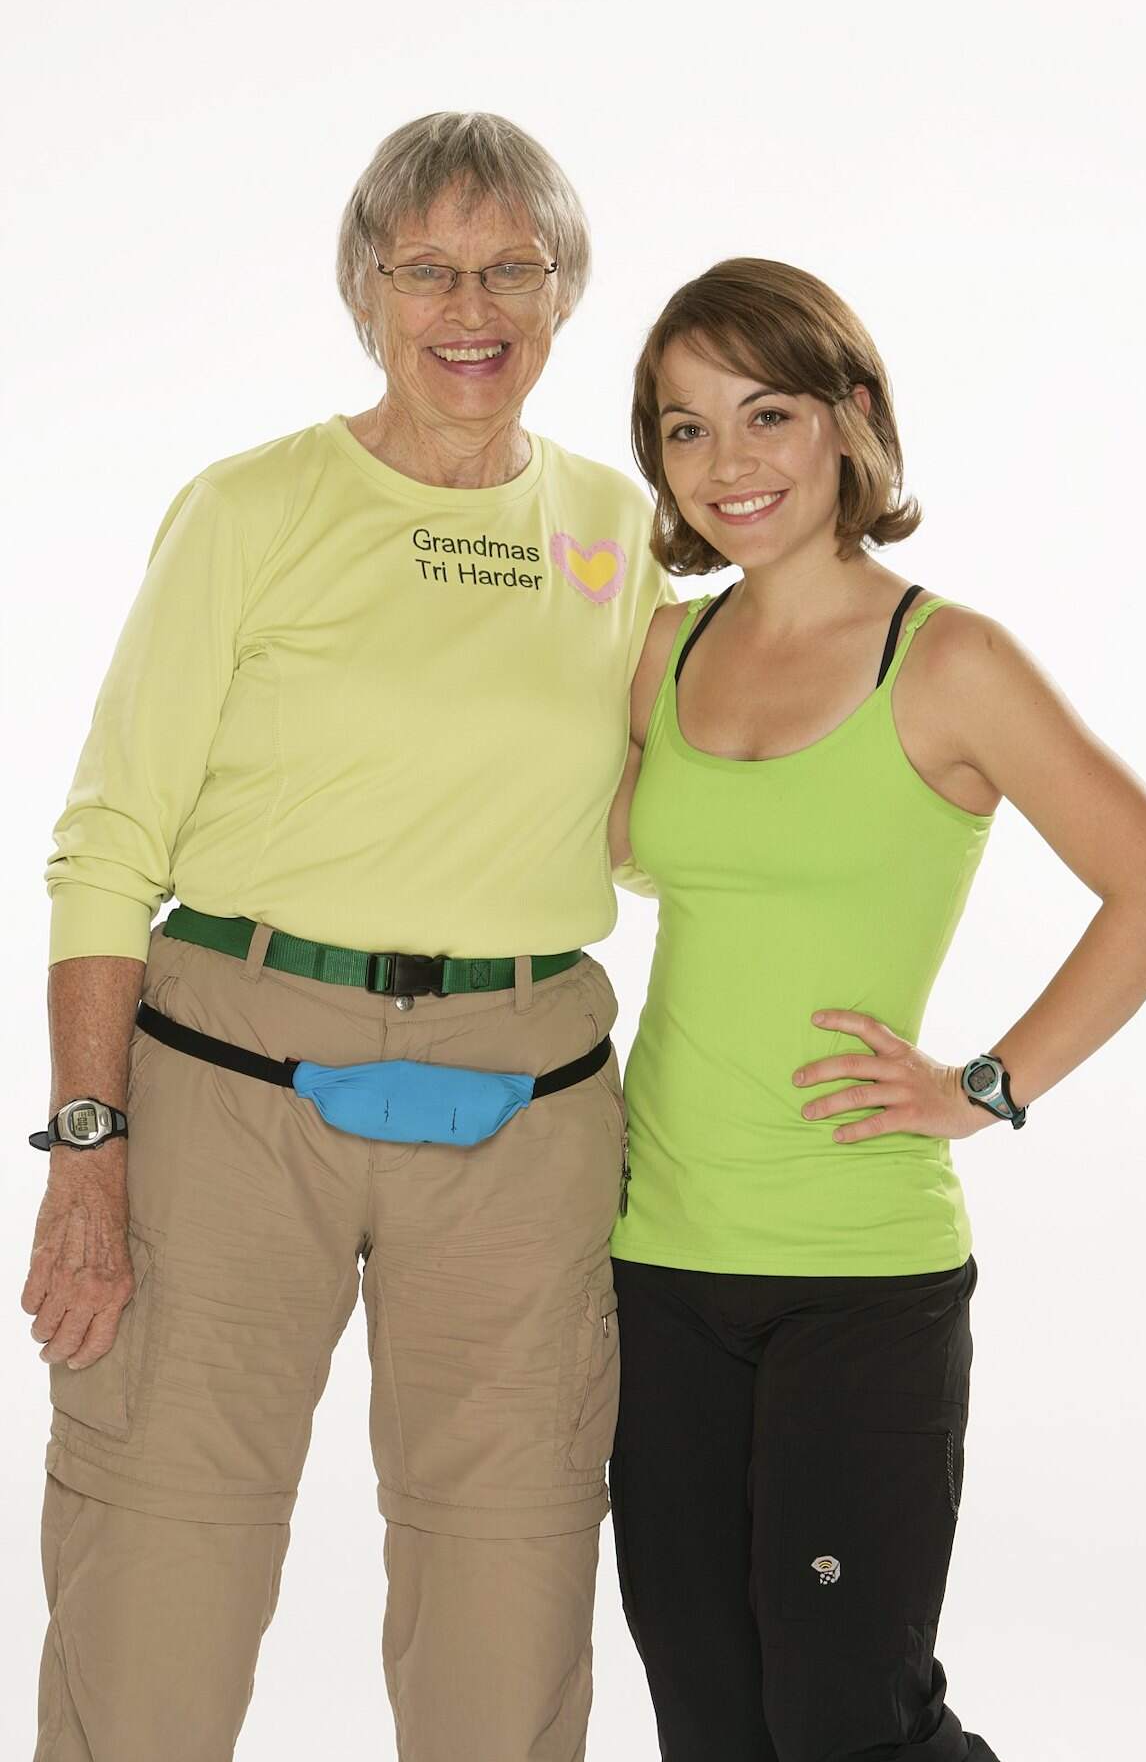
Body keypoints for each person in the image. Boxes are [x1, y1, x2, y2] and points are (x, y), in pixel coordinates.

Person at [24, 110, 669, 1762]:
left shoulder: (617, 529)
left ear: (565, 290)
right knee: (164, 1550)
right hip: (233, 1077)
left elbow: (697, 796)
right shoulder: (251, 509)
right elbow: (106, 846)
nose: (474, 305)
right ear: (365, 291)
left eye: (513, 266)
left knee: (512, 1568)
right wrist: (84, 1152)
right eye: (430, 267)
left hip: (524, 1096)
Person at [606, 257, 1146, 1761]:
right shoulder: (662, 651)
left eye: (767, 414)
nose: (727, 465)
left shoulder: (948, 660)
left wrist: (984, 1086)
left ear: (853, 418)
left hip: (857, 1282)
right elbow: (578, 860)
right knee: (710, 1715)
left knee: (848, 1718)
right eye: (685, 430)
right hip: (654, 1260)